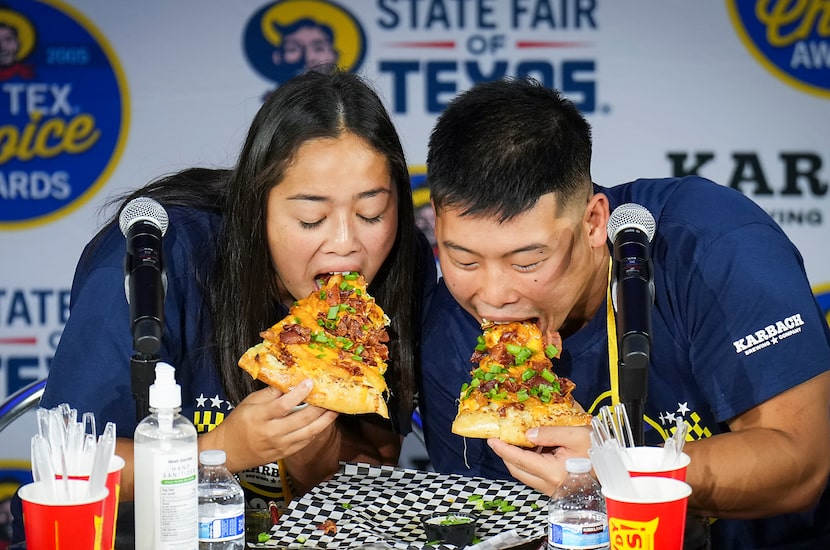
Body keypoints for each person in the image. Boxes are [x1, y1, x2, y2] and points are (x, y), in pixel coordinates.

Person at [15, 68, 435, 541]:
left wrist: (307, 446)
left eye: (371, 214)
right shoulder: (153, 264)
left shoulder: (404, 262)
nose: (345, 244)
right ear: (255, 207)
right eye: (311, 218)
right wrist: (219, 449)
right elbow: (65, 471)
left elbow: (372, 471)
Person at [418, 77, 830, 548]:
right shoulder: (447, 328)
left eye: (527, 262)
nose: (492, 296)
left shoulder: (717, 246)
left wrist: (626, 473)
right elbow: (492, 525)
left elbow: (802, 463)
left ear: (594, 221)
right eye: (464, 260)